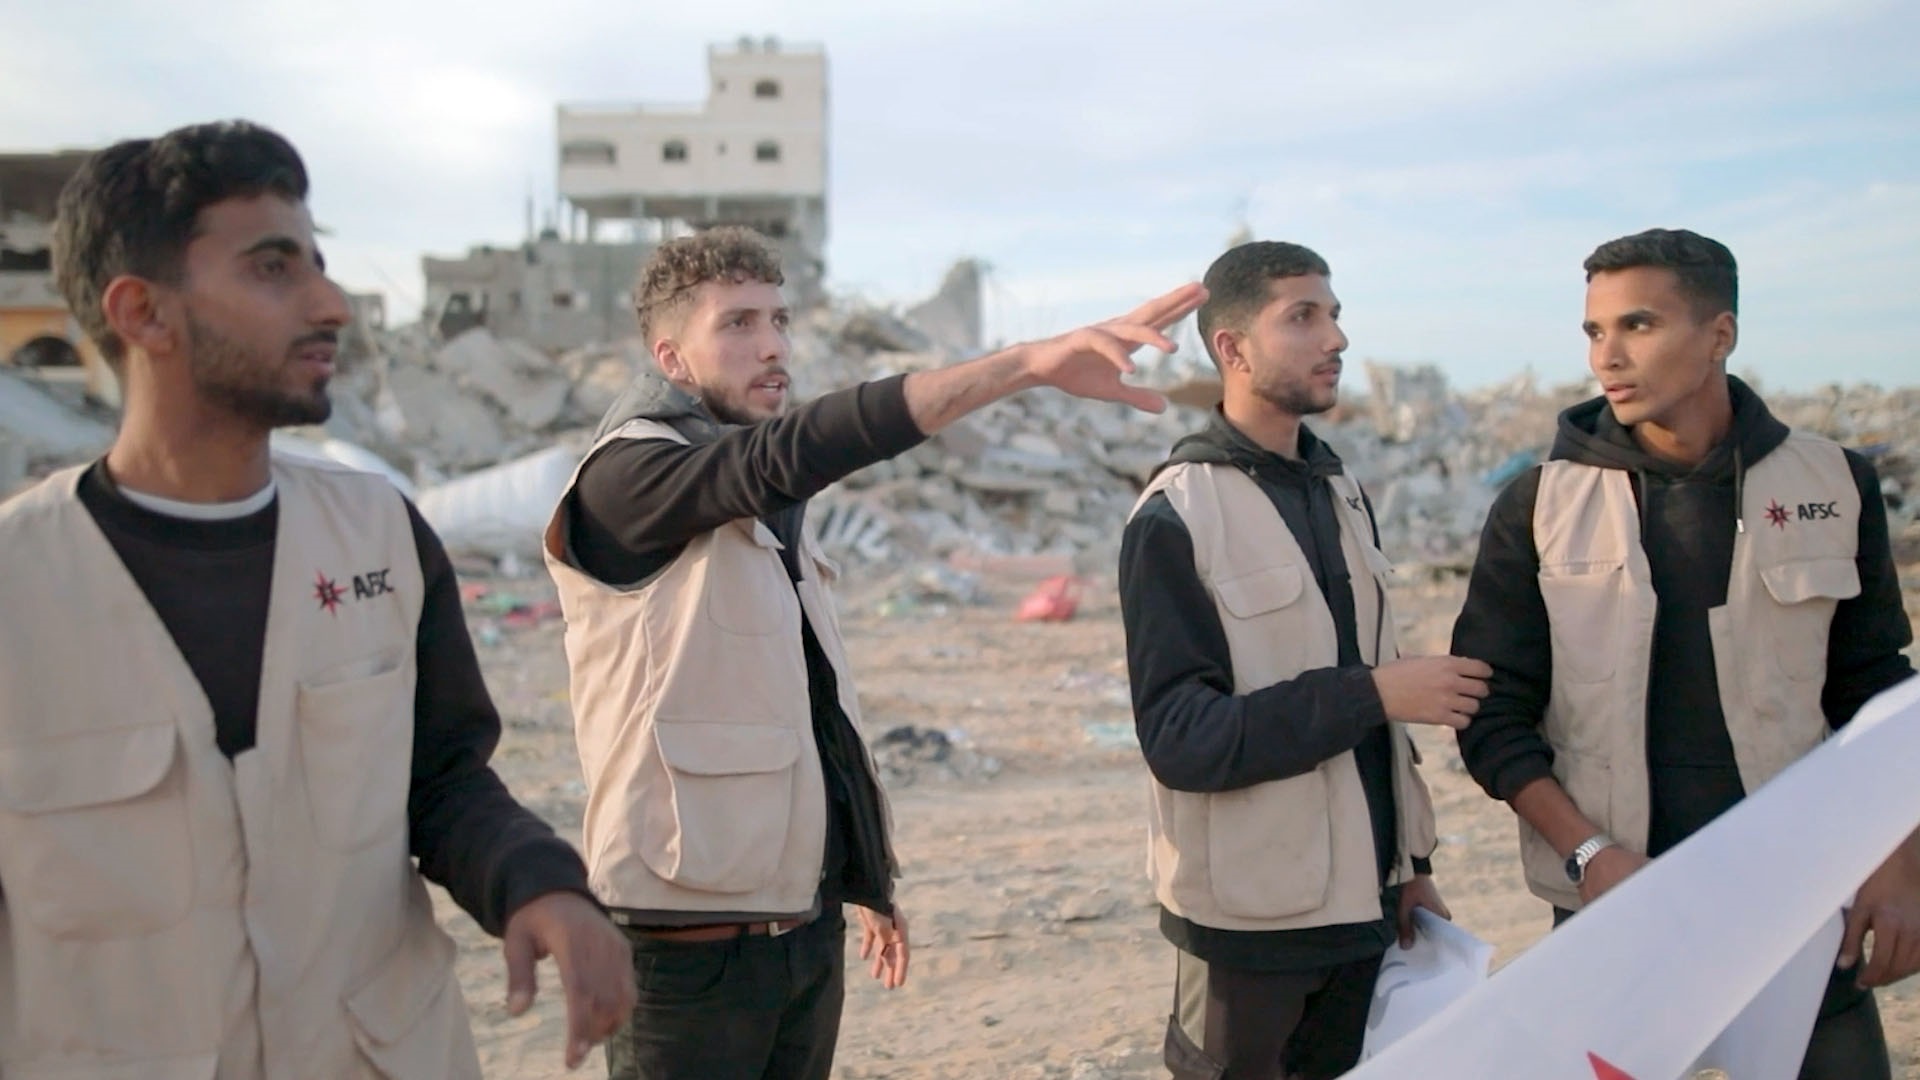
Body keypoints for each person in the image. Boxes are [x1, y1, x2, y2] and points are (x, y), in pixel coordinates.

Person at [0, 120, 635, 1078]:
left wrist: (542, 888)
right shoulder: (19, 583)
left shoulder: (380, 533)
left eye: (319, 265)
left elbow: (444, 778)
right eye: (272, 268)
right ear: (143, 315)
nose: (331, 304)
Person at [542, 224, 1202, 1079]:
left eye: (779, 319)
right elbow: (796, 450)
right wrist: (1026, 365)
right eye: (738, 324)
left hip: (799, 931)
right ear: (671, 358)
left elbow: (811, 704)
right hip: (684, 951)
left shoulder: (761, 501)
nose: (773, 346)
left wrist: (861, 879)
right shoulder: (629, 479)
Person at [1452, 227, 1920, 1078]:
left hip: (1803, 898)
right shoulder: (1540, 503)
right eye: (1594, 332)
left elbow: (1876, 693)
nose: (1608, 356)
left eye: (1637, 326)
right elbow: (1493, 717)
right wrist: (1590, 856)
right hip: (1618, 905)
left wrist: (1896, 864)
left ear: (1719, 335)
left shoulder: (1832, 483)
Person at [1117, 240, 1486, 1080]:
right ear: (1232, 349)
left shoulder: (1341, 493)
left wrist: (1409, 868)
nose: (1336, 340)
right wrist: (1375, 693)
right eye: (1304, 317)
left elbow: (1377, 723)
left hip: (1363, 912)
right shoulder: (1177, 514)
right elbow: (1183, 739)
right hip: (1249, 928)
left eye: (1336, 315)